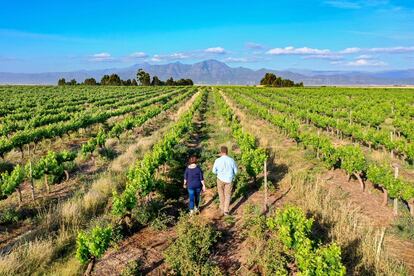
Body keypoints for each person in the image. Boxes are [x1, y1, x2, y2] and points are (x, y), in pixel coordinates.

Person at [212, 146, 238, 216]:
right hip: (229, 180)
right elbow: (236, 172)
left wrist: (219, 173)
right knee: (228, 195)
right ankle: (226, 210)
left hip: (220, 179)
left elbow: (214, 171)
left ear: (221, 152)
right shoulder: (232, 160)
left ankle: (221, 207)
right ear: (227, 152)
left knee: (221, 193)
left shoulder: (217, 160)